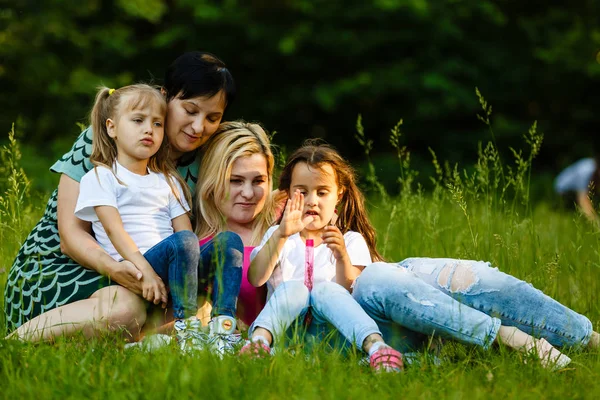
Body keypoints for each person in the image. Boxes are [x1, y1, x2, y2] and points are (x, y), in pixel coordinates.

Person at [4, 51, 237, 342]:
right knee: (125, 310)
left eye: (212, 118)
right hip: (67, 267)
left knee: (199, 306)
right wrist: (119, 270)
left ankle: (139, 344)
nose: (199, 127)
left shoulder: (203, 163)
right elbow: (70, 236)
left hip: (148, 274)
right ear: (166, 97)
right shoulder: (105, 138)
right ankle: (15, 344)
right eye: (190, 111)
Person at [243, 142, 405, 372]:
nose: (312, 200)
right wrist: (281, 234)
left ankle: (377, 348)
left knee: (325, 291)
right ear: (288, 193)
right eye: (302, 191)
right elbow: (256, 278)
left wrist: (341, 258)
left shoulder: (350, 241)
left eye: (322, 192)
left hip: (334, 336)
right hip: (286, 335)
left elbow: (353, 293)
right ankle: (258, 343)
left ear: (338, 195)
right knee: (293, 289)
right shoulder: (278, 235)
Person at [74, 84, 204, 346]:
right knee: (184, 244)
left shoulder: (168, 181)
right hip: (135, 267)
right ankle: (188, 332)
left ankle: (216, 327)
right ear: (111, 128)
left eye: (157, 124)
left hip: (169, 267)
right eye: (138, 120)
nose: (149, 129)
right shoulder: (102, 177)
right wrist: (145, 271)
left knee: (217, 244)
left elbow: (184, 233)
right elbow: (114, 230)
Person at [352, 259, 598, 369]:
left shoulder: (346, 235)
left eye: (322, 191)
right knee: (374, 278)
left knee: (465, 278)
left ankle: (589, 339)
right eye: (309, 192)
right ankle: (507, 337)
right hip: (372, 322)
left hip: (396, 281)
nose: (312, 201)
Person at [194, 121, 276, 329]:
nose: (248, 194)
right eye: (235, 181)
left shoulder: (285, 222)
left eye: (258, 181)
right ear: (213, 181)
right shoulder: (196, 245)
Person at [554, 157, 599, 222]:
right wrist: (595, 222)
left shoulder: (594, 168)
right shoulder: (585, 170)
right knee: (572, 217)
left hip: (574, 192)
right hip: (562, 191)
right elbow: (582, 200)